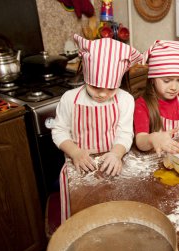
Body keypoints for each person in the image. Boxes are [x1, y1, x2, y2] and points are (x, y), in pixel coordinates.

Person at [52, 34, 142, 222]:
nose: (102, 94)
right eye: (94, 86)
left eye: (110, 89)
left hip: (112, 161)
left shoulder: (125, 99)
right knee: (81, 219)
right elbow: (59, 131)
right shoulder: (70, 98)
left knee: (115, 215)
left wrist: (117, 154)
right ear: (85, 73)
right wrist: (75, 152)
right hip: (79, 165)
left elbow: (125, 133)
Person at [134, 40, 179, 156]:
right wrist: (153, 138)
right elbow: (140, 141)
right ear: (152, 79)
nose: (174, 87)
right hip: (155, 159)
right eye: (167, 81)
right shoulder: (142, 104)